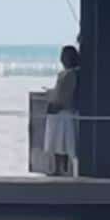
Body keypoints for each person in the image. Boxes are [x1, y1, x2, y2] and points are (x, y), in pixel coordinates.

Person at [44, 45, 81, 176]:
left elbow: (66, 95)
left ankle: (64, 169)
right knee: (57, 143)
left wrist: (56, 106)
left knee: (63, 143)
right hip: (58, 112)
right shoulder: (65, 74)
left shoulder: (71, 74)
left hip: (64, 112)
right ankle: (58, 169)